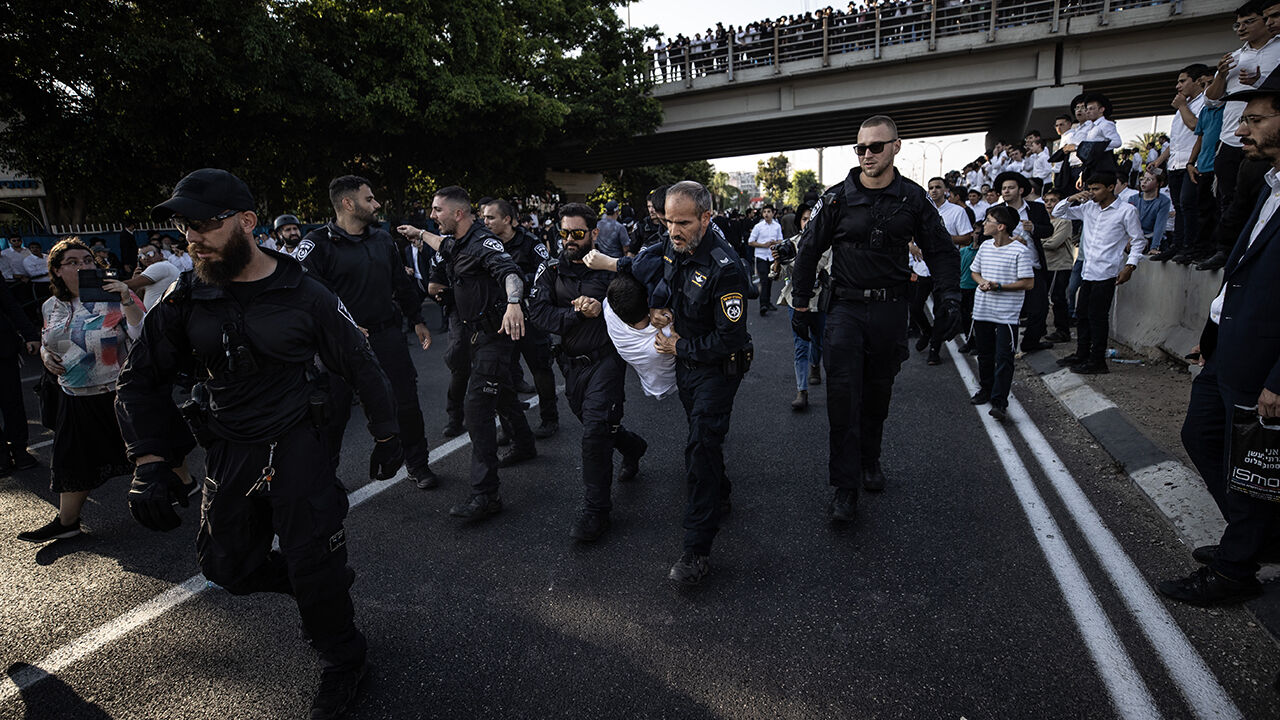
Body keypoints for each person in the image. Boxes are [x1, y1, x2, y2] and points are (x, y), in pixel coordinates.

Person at [115, 169, 403, 719]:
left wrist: (389, 434)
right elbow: (141, 377)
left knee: (316, 567)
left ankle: (343, 657)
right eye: (184, 227)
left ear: (246, 222)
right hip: (230, 449)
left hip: (299, 448)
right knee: (226, 566)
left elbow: (361, 363)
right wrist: (150, 460)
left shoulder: (306, 293)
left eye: (202, 224)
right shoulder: (186, 296)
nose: (191, 238)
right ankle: (308, 581)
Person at [784, 115, 961, 523]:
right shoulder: (836, 198)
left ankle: (870, 460)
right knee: (843, 399)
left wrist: (949, 296)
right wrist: (800, 306)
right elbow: (808, 250)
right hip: (844, 309)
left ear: (896, 147)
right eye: (860, 148)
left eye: (875, 147)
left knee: (877, 395)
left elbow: (940, 251)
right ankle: (844, 488)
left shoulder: (914, 199)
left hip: (889, 310)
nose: (866, 155)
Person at [1159, 71, 1280, 606]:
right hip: (1226, 350)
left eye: (1255, 120)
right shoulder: (1266, 183)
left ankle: (1236, 569)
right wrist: (1211, 332)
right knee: (1203, 437)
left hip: (1264, 366)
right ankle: (1256, 536)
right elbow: (1243, 268)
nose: (1242, 131)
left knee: (1254, 466)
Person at [635, 181, 751, 586]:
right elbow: (668, 283)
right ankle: (719, 492)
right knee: (704, 439)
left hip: (718, 367)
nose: (673, 230)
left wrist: (683, 345)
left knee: (700, 445)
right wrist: (661, 307)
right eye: (668, 221)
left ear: (706, 217)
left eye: (682, 222)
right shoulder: (673, 245)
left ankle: (696, 549)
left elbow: (731, 337)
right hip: (685, 363)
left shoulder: (726, 266)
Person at [396, 187, 534, 520]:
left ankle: (485, 495)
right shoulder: (459, 242)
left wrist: (514, 302)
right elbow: (442, 244)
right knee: (501, 396)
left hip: (495, 337)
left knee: (477, 409)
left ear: (458, 214)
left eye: (437, 210)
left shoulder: (484, 242)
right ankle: (525, 443)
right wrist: (418, 234)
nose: (432, 215)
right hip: (476, 334)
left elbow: (510, 272)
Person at [296, 175, 439, 490]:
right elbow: (304, 297)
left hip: (386, 337)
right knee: (332, 414)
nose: (376, 204)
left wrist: (416, 318)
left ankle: (417, 464)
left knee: (405, 403)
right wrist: (342, 327)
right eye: (369, 199)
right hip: (338, 345)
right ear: (348, 203)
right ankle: (325, 478)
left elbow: (399, 284)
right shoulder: (315, 245)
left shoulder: (382, 239)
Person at [526, 203, 647, 543]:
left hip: (606, 361)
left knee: (595, 431)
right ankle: (633, 446)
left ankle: (597, 512)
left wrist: (603, 306)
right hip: (570, 364)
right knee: (597, 425)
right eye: (563, 232)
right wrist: (577, 315)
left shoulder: (611, 270)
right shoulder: (549, 270)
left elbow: (638, 305)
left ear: (594, 234)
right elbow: (539, 314)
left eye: (577, 233)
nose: (569, 240)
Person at [17, 238, 144, 543]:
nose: (83, 266)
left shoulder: (115, 297)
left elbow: (142, 334)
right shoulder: (51, 305)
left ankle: (186, 483)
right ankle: (67, 521)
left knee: (150, 448)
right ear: (57, 271)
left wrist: (127, 296)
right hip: (75, 396)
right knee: (71, 460)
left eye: (87, 260)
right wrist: (46, 358)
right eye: (72, 262)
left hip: (118, 392)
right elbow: (49, 341)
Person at [1051, 173, 1147, 374]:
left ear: (1111, 187)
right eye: (1090, 188)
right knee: (1083, 315)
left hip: (1108, 271)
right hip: (1088, 270)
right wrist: (1071, 198)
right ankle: (1082, 354)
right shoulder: (1088, 208)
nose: (1092, 193)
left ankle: (1097, 361)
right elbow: (1059, 212)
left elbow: (1138, 240)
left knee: (1097, 317)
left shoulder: (1126, 211)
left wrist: (1130, 266)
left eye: (1097, 189)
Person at [481, 199, 559, 440]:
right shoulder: (485, 244)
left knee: (540, 368)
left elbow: (547, 273)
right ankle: (510, 426)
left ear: (507, 219)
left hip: (529, 316)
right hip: (499, 318)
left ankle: (550, 418)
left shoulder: (530, 243)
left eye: (490, 218)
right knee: (501, 373)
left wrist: (515, 281)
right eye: (484, 218)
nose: (485, 222)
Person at [968, 207, 1036, 420]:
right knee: (985, 355)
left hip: (1006, 314)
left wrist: (999, 287)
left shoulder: (1020, 251)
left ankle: (999, 402)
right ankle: (985, 389)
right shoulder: (986, 246)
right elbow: (974, 272)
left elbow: (1028, 283)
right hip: (982, 311)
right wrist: (983, 283)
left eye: (988, 221)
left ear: (1000, 226)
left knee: (1004, 358)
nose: (983, 224)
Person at [774, 204, 826, 410]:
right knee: (800, 345)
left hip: (820, 301)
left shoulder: (828, 246)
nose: (808, 222)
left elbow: (830, 273)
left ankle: (816, 365)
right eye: (804, 219)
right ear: (799, 222)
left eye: (811, 218)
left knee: (818, 340)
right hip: (797, 302)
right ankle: (801, 391)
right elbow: (777, 275)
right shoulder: (790, 245)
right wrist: (778, 261)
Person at [603, 273, 677, 400]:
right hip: (672, 383)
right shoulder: (665, 335)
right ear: (648, 301)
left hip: (651, 382)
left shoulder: (609, 310)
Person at [0, 279, 39, 475]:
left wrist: (30, 334)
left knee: (12, 401)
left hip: (3, 348)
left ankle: (19, 449)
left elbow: (10, 304)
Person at [1041, 189, 1077, 345]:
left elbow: (1055, 243)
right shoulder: (1044, 222)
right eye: (1047, 201)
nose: (1049, 204)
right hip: (1047, 265)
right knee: (1046, 298)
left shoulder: (1064, 221)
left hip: (1060, 265)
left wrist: (1037, 242)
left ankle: (1062, 331)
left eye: (1053, 201)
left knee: (1057, 298)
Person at [124, 242, 181, 314]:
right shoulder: (160, 269)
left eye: (150, 254)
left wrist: (111, 284)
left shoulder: (160, 266)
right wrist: (135, 279)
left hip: (162, 316)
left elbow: (127, 285)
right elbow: (138, 297)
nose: (146, 258)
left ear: (161, 255)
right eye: (141, 256)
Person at [747, 204, 784, 315]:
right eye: (765, 212)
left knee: (770, 280)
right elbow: (750, 241)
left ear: (773, 213)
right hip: (761, 256)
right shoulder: (758, 226)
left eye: (769, 211)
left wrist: (774, 243)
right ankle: (763, 304)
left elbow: (781, 240)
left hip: (772, 257)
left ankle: (768, 302)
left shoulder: (777, 226)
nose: (766, 214)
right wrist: (763, 245)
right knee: (764, 281)